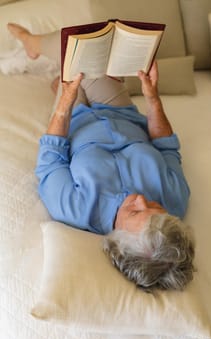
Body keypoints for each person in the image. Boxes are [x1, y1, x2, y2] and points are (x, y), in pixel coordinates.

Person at [8, 23, 195, 291]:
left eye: (134, 212)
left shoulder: (75, 210)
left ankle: (31, 42)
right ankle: (43, 54)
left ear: (117, 239)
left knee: (72, 60)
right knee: (79, 46)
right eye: (155, 207)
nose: (141, 199)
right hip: (121, 112)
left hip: (73, 120)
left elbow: (51, 157)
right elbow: (166, 146)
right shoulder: (176, 199)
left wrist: (65, 103)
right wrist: (152, 98)